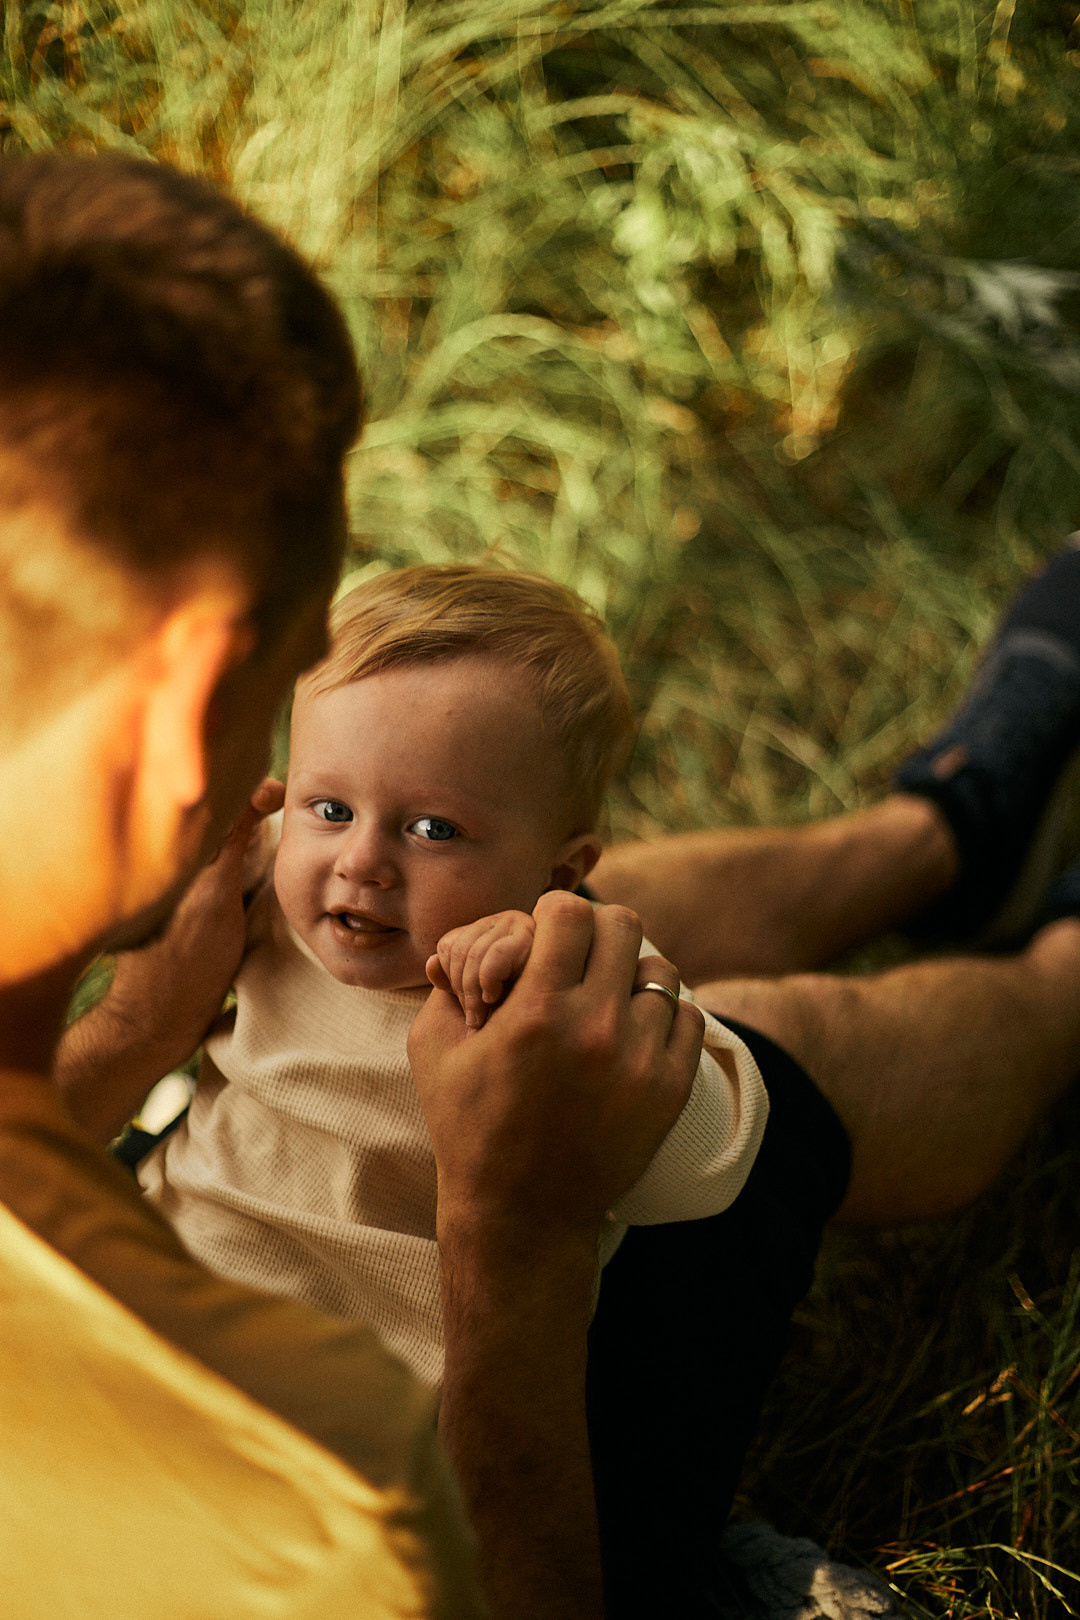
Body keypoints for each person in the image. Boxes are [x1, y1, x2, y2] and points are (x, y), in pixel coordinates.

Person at [0, 150, 704, 1619]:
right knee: (808, 1059)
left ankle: (939, 829)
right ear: (189, 690)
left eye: (427, 828)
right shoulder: (312, 1501)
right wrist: (512, 1241)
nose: (356, 857)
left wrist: (132, 1031)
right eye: (319, 794)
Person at [132, 563, 770, 1388]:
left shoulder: (550, 1007)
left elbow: (710, 1165)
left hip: (340, 1396)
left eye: (433, 829)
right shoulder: (263, 886)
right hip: (152, 1276)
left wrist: (544, 967)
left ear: (561, 872)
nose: (360, 862)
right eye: (329, 809)